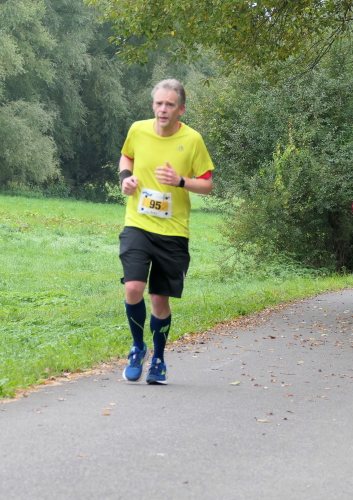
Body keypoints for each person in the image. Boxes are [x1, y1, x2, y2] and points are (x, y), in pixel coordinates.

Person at [118, 79, 214, 384]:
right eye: (159, 103)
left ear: (180, 109)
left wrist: (181, 181)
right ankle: (137, 348)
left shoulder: (193, 140)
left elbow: (208, 184)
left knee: (159, 300)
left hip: (173, 232)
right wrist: (125, 178)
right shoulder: (138, 130)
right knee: (133, 288)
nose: (163, 109)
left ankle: (158, 359)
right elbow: (127, 156)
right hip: (138, 223)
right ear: (153, 105)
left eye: (169, 104)